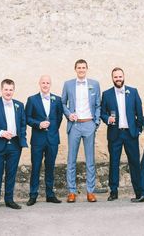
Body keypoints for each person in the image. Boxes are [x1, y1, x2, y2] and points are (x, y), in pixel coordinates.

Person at [0, 79, 28, 212]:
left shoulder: (19, 105)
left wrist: (22, 139)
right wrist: (1, 132)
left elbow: (22, 124)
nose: (8, 92)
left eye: (11, 89)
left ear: (13, 90)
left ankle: (9, 200)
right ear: (1, 90)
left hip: (14, 145)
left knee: (11, 173)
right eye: (6, 89)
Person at [101, 67, 143, 202]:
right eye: (115, 77)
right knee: (114, 162)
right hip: (115, 134)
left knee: (134, 163)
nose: (118, 79)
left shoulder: (133, 92)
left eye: (120, 76)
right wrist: (108, 119)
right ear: (112, 78)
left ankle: (138, 191)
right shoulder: (107, 94)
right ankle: (114, 191)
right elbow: (102, 112)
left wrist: (137, 130)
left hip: (131, 134)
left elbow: (139, 113)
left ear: (123, 77)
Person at [62, 59, 101, 203]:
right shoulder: (68, 84)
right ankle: (71, 191)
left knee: (90, 160)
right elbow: (62, 103)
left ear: (87, 69)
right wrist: (68, 114)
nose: (81, 70)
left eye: (83, 67)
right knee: (71, 159)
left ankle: (90, 191)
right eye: (79, 67)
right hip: (75, 126)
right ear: (75, 69)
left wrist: (96, 122)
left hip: (89, 124)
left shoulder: (94, 84)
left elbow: (98, 105)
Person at [26, 75, 63, 206]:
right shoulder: (32, 99)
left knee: (50, 167)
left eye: (48, 83)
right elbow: (27, 118)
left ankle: (50, 194)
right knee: (35, 167)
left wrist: (52, 130)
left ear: (50, 84)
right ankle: (33, 195)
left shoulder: (57, 100)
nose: (45, 85)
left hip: (52, 139)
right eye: (43, 83)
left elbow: (59, 118)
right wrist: (39, 124)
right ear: (39, 84)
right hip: (37, 139)